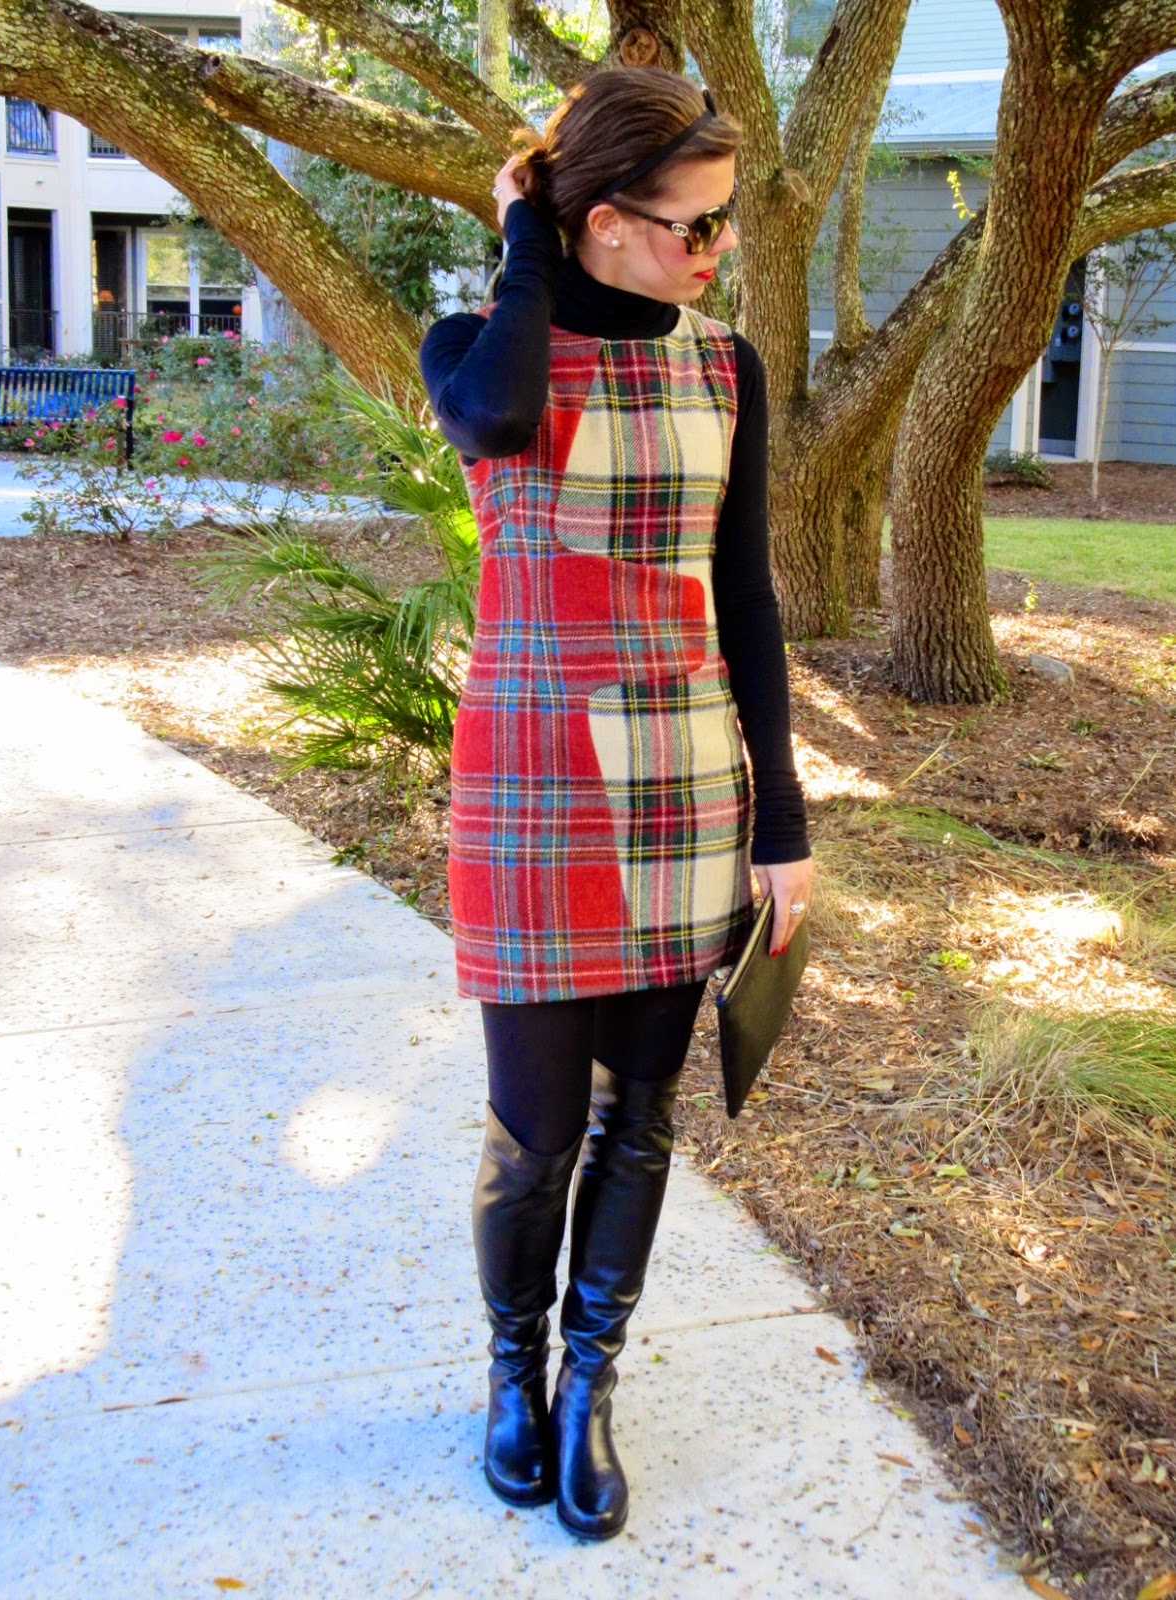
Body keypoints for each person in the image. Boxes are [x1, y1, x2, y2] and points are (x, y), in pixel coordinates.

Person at [418, 67, 814, 1542]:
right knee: (535, 1132)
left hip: (687, 781)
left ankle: (591, 1380)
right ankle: (511, 1376)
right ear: (598, 222)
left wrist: (784, 825)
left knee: (640, 1117)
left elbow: (746, 601)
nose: (716, 250)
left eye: (722, 223)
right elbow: (501, 415)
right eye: (691, 226)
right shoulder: (475, 348)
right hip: (530, 779)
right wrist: (525, 234)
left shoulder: (727, 368)